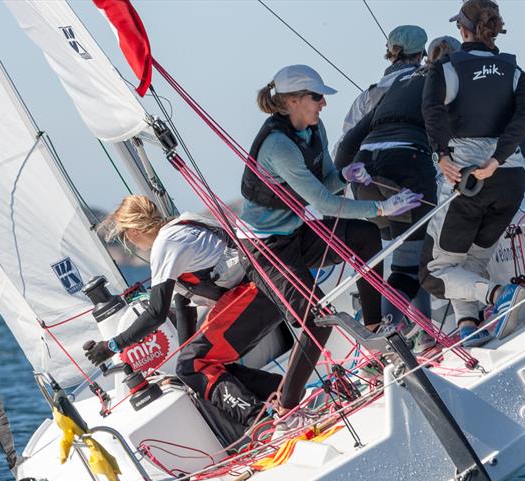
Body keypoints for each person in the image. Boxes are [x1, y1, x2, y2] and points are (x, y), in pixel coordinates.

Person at [239, 64, 422, 430]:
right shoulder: (278, 146)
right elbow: (323, 204)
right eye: (316, 97)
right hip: (266, 248)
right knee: (317, 321)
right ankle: (286, 411)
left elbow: (327, 184)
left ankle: (374, 330)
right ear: (291, 101)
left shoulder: (312, 128)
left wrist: (345, 175)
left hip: (295, 232)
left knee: (366, 237)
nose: (323, 104)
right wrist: (382, 208)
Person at [85, 195, 283, 435]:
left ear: (134, 230)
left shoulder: (166, 244)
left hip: (255, 294)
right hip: (265, 290)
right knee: (196, 364)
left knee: (195, 364)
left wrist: (114, 345)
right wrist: (185, 369)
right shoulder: (181, 227)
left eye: (125, 234)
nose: (127, 240)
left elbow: (157, 312)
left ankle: (260, 424)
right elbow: (183, 302)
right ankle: (286, 392)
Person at [420, 0, 525, 347]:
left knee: (433, 272)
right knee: (468, 261)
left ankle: (499, 294)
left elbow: (432, 111)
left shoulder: (447, 68)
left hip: (466, 180)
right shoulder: (516, 72)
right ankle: (470, 326)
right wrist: (499, 158)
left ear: (463, 30)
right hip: (509, 179)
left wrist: (441, 154)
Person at [333, 26, 438, 354]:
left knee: (405, 254)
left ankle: (424, 332)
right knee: (414, 257)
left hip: (363, 179)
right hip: (408, 169)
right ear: (422, 53)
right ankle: (385, 339)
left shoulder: (369, 94)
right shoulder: (427, 79)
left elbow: (346, 140)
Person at [426, 36, 525, 181]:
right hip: (480, 177)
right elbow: (520, 138)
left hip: (434, 178)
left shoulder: (426, 92)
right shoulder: (474, 89)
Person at [332, 25, 428, 158]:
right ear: (420, 55)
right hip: (417, 160)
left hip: (370, 166)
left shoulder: (367, 96)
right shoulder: (429, 84)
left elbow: (346, 140)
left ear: (390, 54)